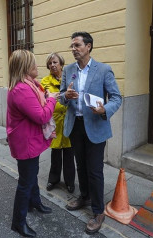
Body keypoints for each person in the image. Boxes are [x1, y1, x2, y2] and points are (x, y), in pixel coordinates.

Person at [60, 32, 122, 234]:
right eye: (72, 45)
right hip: (75, 125)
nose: (73, 49)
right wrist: (66, 96)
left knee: (95, 170)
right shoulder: (68, 69)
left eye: (77, 45)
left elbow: (116, 98)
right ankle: (84, 195)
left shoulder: (104, 69)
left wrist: (105, 109)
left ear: (88, 46)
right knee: (81, 165)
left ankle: (98, 211)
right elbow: (61, 97)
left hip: (95, 125)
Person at [6, 49, 59, 237]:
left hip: (29, 140)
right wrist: (52, 99)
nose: (37, 66)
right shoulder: (22, 89)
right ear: (25, 67)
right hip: (25, 142)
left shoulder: (31, 85)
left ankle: (34, 203)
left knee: (32, 174)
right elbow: (42, 115)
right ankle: (18, 223)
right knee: (25, 182)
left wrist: (48, 97)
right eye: (33, 63)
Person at [40, 53, 75, 194]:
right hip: (54, 122)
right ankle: (53, 179)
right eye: (50, 63)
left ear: (61, 64)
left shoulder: (70, 79)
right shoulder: (45, 81)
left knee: (69, 154)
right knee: (55, 154)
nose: (53, 65)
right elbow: (42, 100)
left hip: (68, 120)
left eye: (55, 62)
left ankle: (70, 182)